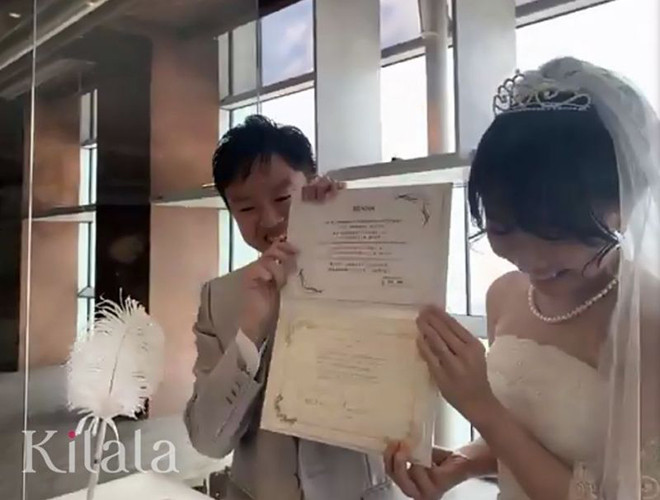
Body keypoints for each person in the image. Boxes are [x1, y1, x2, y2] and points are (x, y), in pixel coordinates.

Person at [385, 57, 660, 500]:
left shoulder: (649, 321)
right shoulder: (505, 296)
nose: (531, 259)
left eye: (555, 233)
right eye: (503, 228)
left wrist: (480, 406)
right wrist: (463, 463)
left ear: (624, 207)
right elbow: (534, 438)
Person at [184, 115, 395, 500]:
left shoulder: (366, 269)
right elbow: (207, 440)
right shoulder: (220, 297)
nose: (269, 219)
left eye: (283, 198)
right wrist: (250, 334)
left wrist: (345, 221)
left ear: (312, 183)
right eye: (246, 208)